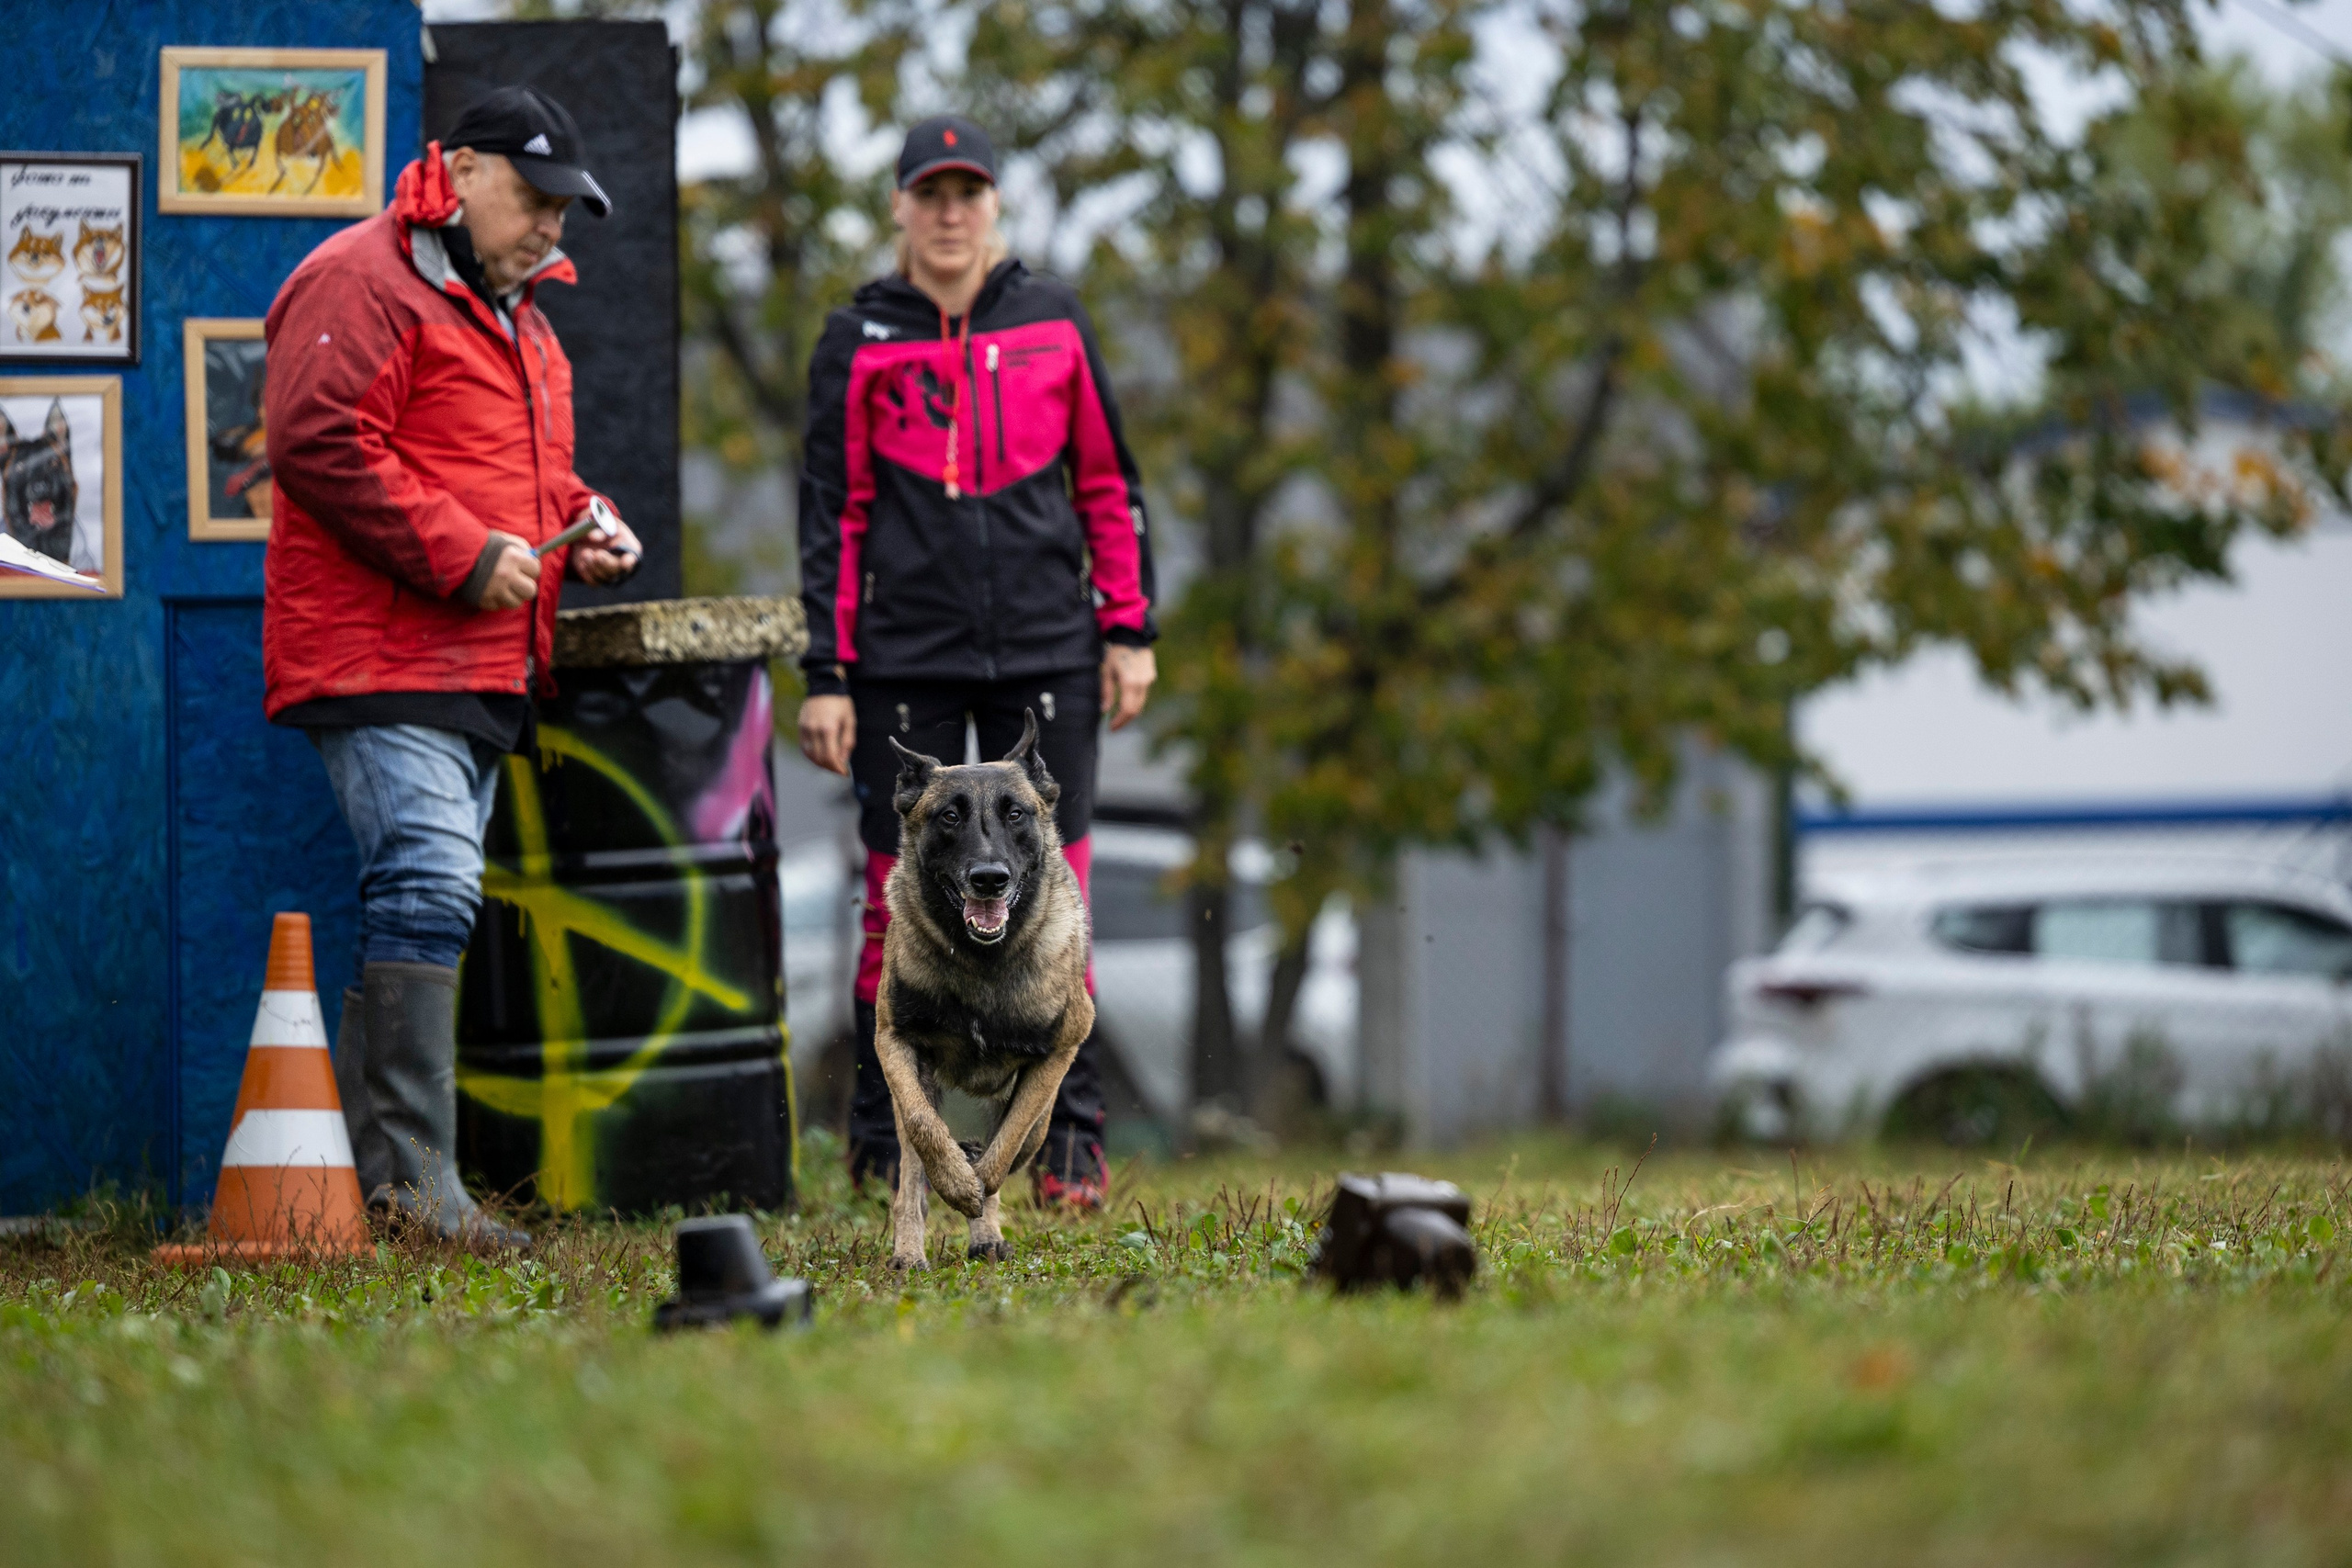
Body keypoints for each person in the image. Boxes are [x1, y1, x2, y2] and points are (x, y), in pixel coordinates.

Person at [261, 86, 642, 1249]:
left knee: (429, 895)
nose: (550, 228)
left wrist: (590, 520)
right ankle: (419, 1189)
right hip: (380, 653)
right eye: (533, 200)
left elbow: (521, 481)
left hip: (475, 664)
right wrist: (464, 555)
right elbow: (317, 442)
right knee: (428, 883)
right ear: (462, 171)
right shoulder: (359, 278)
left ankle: (396, 1185)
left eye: (565, 211)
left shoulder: (520, 318)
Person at [797, 114, 1159, 1210]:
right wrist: (825, 670)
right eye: (929, 193)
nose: (949, 214)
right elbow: (831, 513)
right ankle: (877, 1145)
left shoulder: (1052, 319)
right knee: (885, 905)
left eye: (969, 193)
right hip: (903, 651)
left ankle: (1069, 1150)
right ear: (901, 205)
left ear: (994, 203)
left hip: (1048, 641)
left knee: (1063, 900)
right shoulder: (855, 334)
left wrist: (1129, 627)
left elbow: (1107, 482)